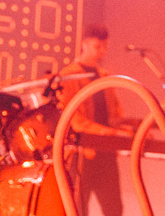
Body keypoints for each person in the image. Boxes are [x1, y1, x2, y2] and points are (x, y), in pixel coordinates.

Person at [58, 23, 130, 216]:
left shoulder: (105, 76)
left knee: (114, 209)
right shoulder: (69, 76)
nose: (102, 51)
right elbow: (75, 120)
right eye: (98, 46)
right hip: (83, 154)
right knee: (79, 208)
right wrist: (111, 133)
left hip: (106, 154)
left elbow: (115, 114)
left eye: (105, 46)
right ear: (85, 44)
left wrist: (131, 131)